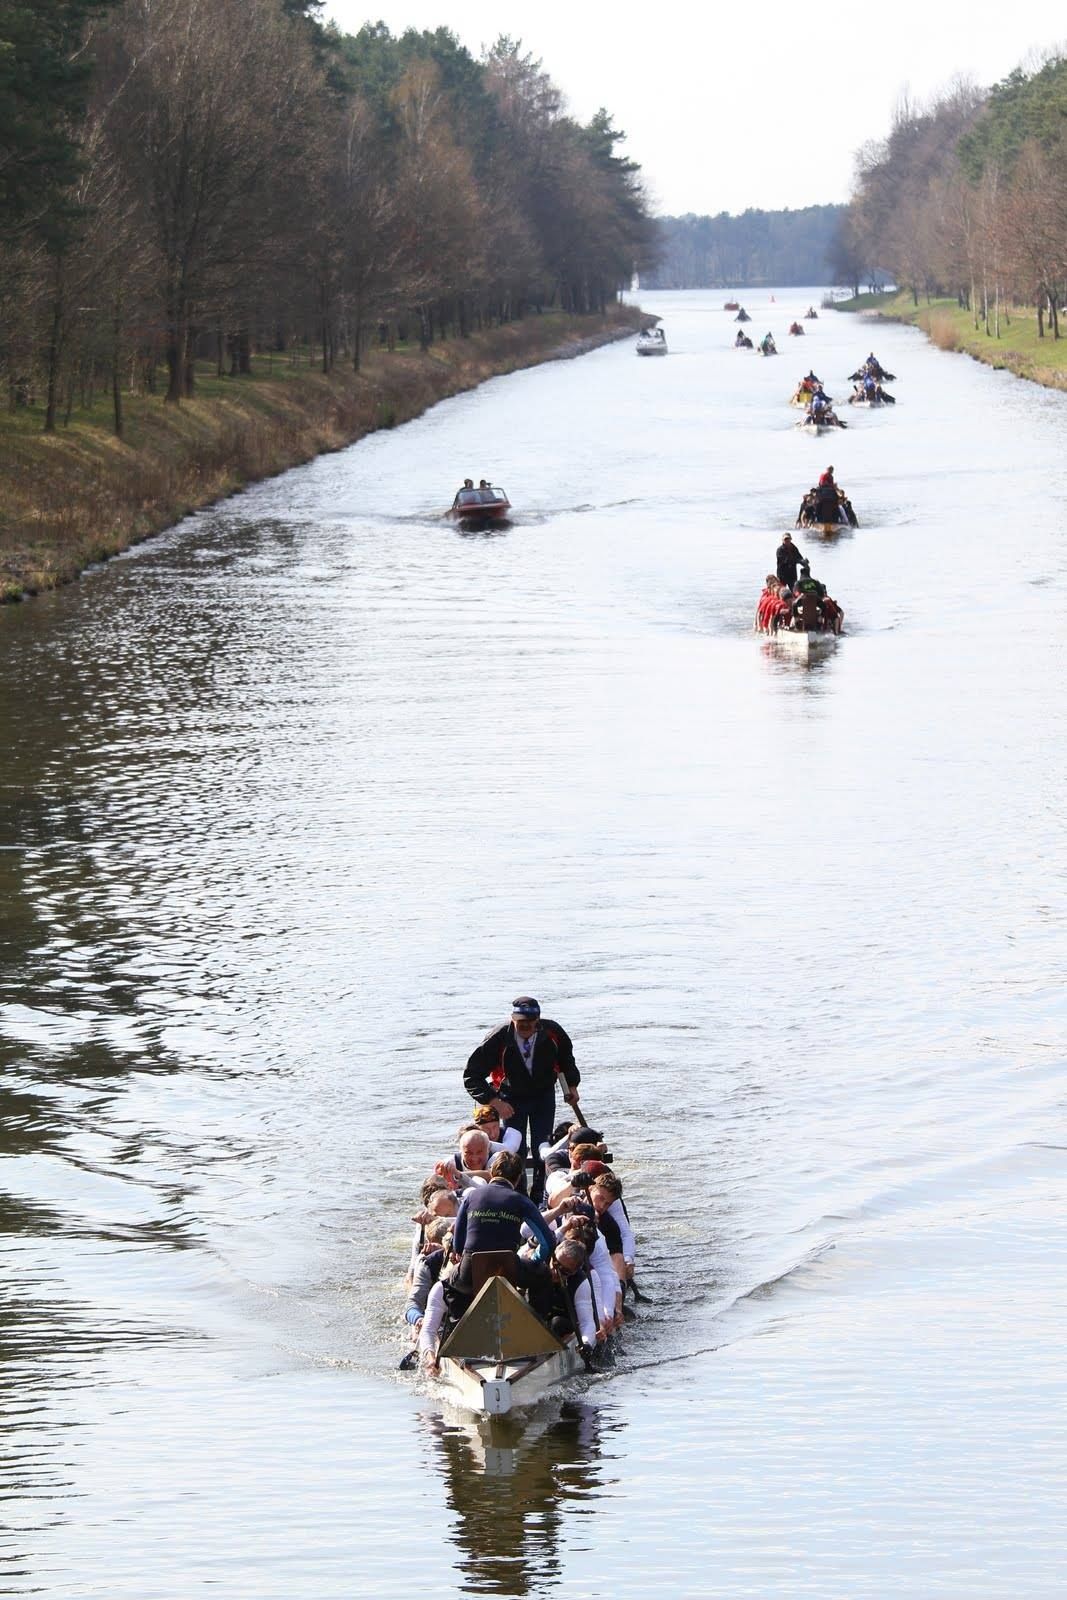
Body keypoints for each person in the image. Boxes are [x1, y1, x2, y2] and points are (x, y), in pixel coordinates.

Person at [463, 998, 581, 1203]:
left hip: (543, 1095)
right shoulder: (498, 1038)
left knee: (541, 1147)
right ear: (512, 1020)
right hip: (511, 1098)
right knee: (514, 1151)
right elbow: (472, 1075)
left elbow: (566, 1060)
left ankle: (540, 1196)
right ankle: (516, 1195)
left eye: (530, 1022)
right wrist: (495, 1102)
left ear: (538, 1021)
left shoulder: (552, 1032)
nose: (525, 1027)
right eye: (520, 1023)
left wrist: (571, 1086)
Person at [445, 1150, 554, 1322]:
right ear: (518, 1178)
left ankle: (457, 1325)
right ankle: (537, 1324)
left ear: (491, 1173)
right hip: (508, 1270)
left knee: (452, 1283)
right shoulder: (521, 1201)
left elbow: (458, 1245)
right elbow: (548, 1242)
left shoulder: (471, 1196)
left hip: (470, 1271)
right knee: (543, 1275)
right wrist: (536, 1259)